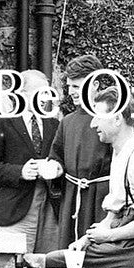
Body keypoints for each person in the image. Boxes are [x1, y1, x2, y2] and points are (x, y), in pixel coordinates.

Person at [25, 87, 134, 268]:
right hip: (124, 244)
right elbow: (112, 216)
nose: (93, 124)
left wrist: (108, 237)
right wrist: (85, 240)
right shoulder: (120, 155)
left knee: (57, 261)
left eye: (98, 116)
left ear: (117, 118)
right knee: (67, 256)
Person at [0, 70, 61, 252]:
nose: (45, 98)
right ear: (21, 94)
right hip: (15, 210)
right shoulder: (1, 123)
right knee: (10, 266)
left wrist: (57, 168)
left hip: (50, 211)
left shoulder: (54, 125)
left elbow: (62, 160)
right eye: (40, 93)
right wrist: (20, 172)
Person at [46, 54, 112, 251]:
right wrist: (54, 168)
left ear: (95, 84)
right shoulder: (67, 122)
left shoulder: (110, 117)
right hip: (72, 198)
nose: (71, 92)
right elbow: (56, 156)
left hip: (101, 199)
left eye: (76, 86)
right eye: (69, 87)